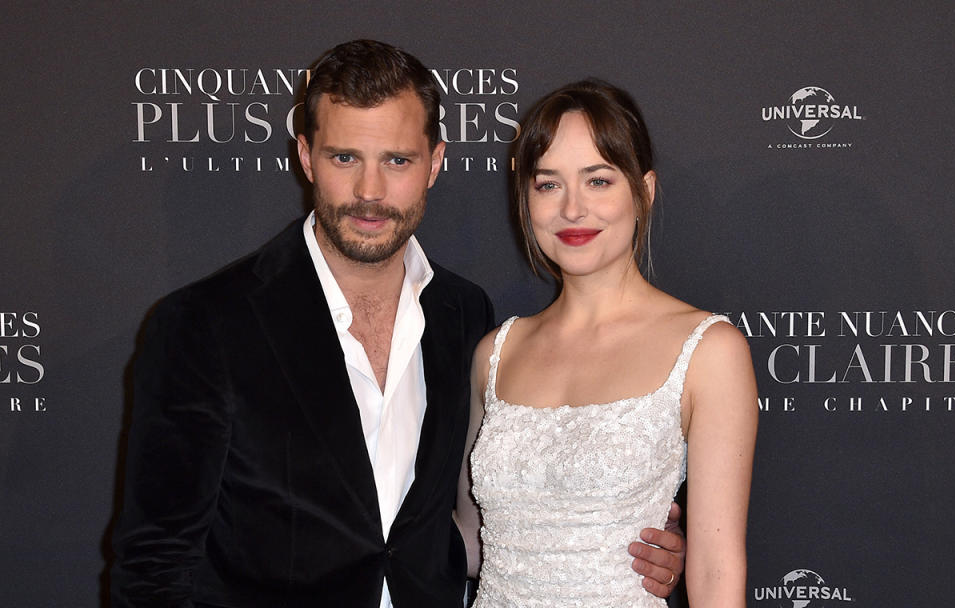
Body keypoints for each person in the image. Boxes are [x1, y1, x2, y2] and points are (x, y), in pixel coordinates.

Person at [111, 40, 684, 607]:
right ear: (306, 157)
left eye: (397, 160)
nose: (370, 192)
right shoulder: (204, 324)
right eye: (345, 158)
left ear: (434, 162)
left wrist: (624, 545)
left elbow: (485, 524)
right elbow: (155, 565)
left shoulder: (465, 317)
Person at [456, 80, 758, 607]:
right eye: (548, 185)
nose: (572, 209)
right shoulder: (495, 354)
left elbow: (715, 571)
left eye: (598, 181)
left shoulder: (710, 351)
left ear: (644, 190)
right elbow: (467, 541)